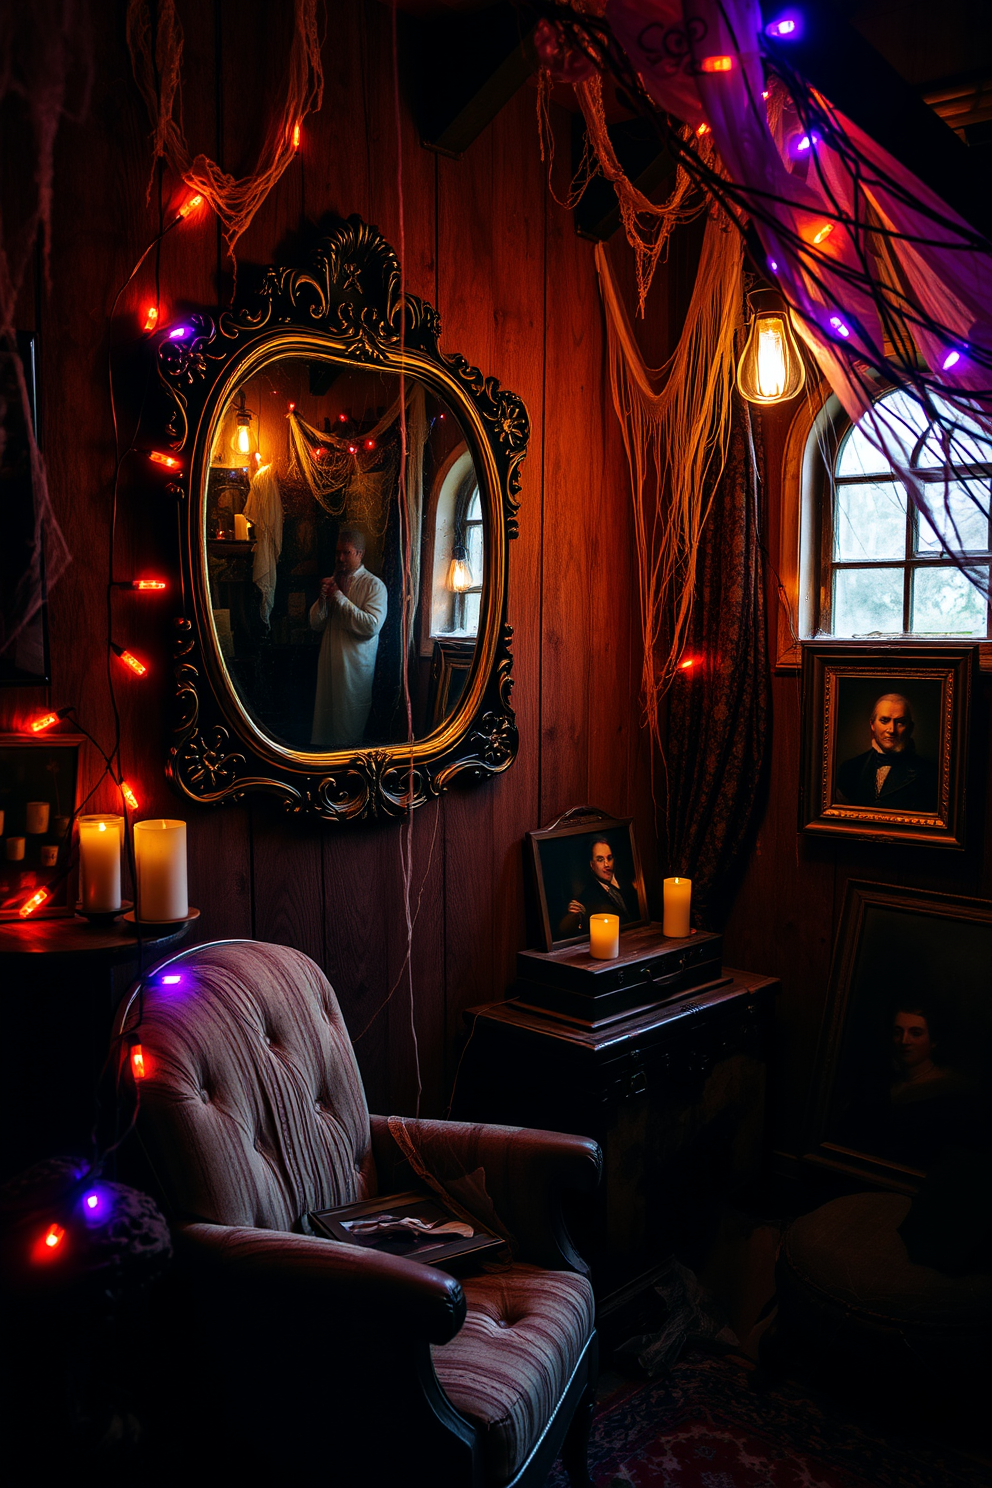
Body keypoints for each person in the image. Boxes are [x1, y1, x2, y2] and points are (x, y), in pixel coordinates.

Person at [309, 528, 387, 751]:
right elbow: (316, 624)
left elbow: (371, 626)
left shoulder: (374, 586)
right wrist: (323, 599)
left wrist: (339, 598)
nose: (340, 558)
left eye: (346, 552)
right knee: (324, 732)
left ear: (360, 553)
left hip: (353, 671)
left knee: (347, 731)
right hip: (329, 668)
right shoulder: (334, 581)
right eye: (337, 553)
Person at [836, 692, 937, 811]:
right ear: (872, 724)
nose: (891, 730)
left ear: (910, 727)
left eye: (900, 722)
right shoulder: (850, 768)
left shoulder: (929, 773)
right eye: (884, 720)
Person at [557, 838, 637, 938]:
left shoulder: (628, 883)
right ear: (592, 865)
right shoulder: (587, 896)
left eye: (609, 858)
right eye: (600, 860)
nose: (606, 864)